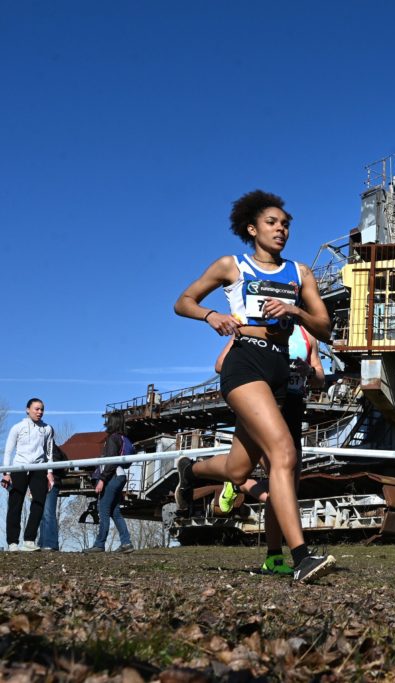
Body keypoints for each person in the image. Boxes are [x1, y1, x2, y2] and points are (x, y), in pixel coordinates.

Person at [172, 189, 335, 583]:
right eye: (272, 223)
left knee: (238, 468)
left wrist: (295, 310)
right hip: (245, 361)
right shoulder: (232, 265)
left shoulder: (300, 273)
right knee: (283, 454)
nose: (281, 230)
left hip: (279, 367)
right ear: (251, 228)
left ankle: (191, 472)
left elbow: (325, 327)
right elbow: (183, 301)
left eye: (285, 225)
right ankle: (300, 558)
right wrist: (211, 315)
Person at [211, 324, 325, 576]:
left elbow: (320, 378)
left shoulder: (308, 335)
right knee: (278, 473)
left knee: (283, 484)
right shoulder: (253, 326)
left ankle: (273, 558)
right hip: (262, 405)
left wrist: (308, 371)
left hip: (293, 407)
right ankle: (291, 556)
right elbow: (220, 365)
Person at [2, 398, 55, 552]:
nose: (40, 412)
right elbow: (8, 451)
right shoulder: (17, 427)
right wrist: (6, 473)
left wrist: (50, 472)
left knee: (39, 501)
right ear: (27, 410)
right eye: (36, 409)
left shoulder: (47, 429)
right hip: (19, 467)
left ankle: (29, 540)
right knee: (15, 504)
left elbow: (49, 452)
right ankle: (12, 542)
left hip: (38, 467)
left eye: (42, 409)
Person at [83, 414, 134, 553]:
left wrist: (102, 479)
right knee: (115, 512)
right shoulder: (124, 439)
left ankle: (99, 544)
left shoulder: (112, 438)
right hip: (120, 475)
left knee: (103, 510)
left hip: (112, 476)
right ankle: (126, 543)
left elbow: (110, 461)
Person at [38, 441, 67, 551]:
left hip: (51, 483)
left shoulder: (52, 450)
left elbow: (55, 465)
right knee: (42, 514)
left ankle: (50, 543)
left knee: (48, 513)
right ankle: (43, 542)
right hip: (43, 483)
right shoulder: (48, 449)